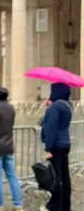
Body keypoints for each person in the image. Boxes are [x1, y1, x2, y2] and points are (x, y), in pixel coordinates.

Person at [40, 83, 72, 211]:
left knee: (55, 178)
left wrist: (48, 148)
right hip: (65, 143)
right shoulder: (67, 106)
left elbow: (50, 128)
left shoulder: (55, 107)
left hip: (56, 145)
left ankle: (55, 206)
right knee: (64, 177)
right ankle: (65, 205)